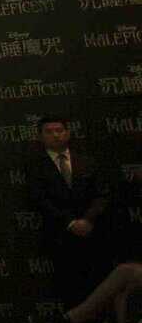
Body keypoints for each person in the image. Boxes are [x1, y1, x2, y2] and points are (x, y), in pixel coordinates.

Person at [23, 114, 114, 311]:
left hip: (94, 233)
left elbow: (102, 194)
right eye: (49, 132)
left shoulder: (87, 160)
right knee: (68, 289)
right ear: (40, 136)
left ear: (68, 133)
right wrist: (71, 223)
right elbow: (39, 200)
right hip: (59, 237)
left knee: (101, 286)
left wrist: (88, 220)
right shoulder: (34, 166)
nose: (55, 135)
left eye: (59, 130)